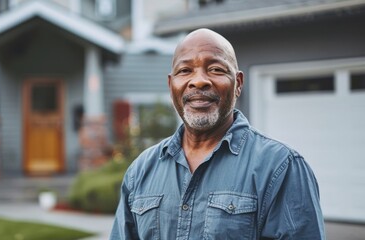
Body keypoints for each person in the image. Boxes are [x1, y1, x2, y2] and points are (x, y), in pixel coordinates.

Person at [110, 28, 325, 239]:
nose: (199, 81)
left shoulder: (281, 166)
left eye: (216, 69)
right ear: (171, 85)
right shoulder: (140, 171)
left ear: (238, 84)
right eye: (185, 70)